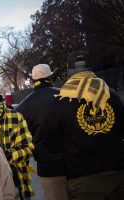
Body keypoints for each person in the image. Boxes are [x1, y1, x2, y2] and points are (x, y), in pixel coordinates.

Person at [50, 53, 124, 200]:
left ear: (69, 71)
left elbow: (53, 143)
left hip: (82, 183)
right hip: (118, 177)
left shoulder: (60, 103)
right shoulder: (113, 96)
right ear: (91, 69)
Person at [15, 64, 68, 200]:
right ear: (50, 76)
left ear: (33, 80)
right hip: (75, 162)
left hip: (48, 168)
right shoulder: (66, 95)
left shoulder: (23, 106)